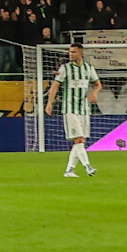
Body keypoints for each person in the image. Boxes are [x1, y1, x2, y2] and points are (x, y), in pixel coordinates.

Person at [45, 43, 100, 178]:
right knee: (79, 139)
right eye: (70, 52)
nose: (71, 54)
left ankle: (69, 170)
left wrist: (94, 93)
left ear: (81, 53)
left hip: (84, 109)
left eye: (74, 52)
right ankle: (88, 167)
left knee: (80, 141)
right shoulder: (65, 69)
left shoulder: (88, 68)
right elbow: (55, 86)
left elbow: (98, 84)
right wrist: (49, 103)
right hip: (70, 109)